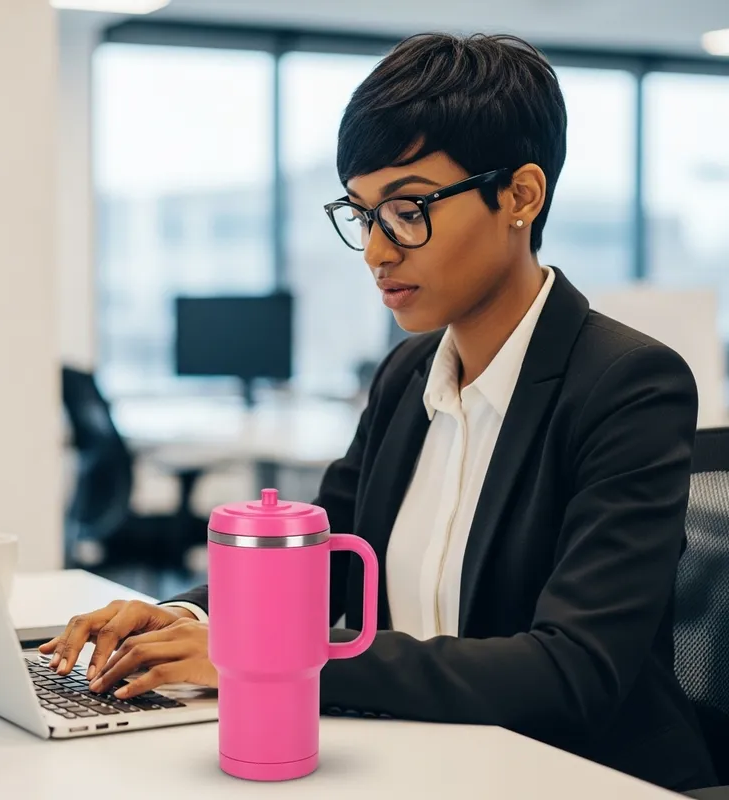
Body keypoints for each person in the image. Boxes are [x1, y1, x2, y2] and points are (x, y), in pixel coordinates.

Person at [41, 33, 717, 792]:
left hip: (579, 776)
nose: (376, 251)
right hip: (425, 762)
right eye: (362, 215)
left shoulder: (628, 384)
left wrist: (271, 661)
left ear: (521, 196)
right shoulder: (407, 375)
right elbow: (325, 566)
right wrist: (185, 623)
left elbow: (572, 671)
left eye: (407, 209)